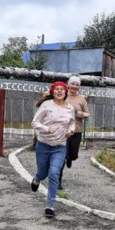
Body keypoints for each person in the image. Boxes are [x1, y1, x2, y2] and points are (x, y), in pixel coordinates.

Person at [31, 81, 75, 218]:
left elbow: (72, 122)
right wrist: (46, 128)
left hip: (60, 147)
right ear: (53, 92)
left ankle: (50, 205)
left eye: (62, 89)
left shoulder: (70, 108)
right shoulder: (46, 105)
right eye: (57, 89)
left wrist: (71, 131)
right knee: (43, 173)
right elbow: (34, 122)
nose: (60, 91)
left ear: (66, 92)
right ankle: (37, 179)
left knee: (54, 173)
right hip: (43, 145)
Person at [58, 75, 90, 190]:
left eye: (77, 84)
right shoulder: (63, 96)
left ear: (79, 87)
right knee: (61, 156)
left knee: (73, 154)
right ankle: (58, 182)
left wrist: (81, 114)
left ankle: (70, 158)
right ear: (68, 85)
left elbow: (87, 114)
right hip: (62, 130)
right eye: (72, 84)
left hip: (76, 130)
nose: (74, 86)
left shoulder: (82, 98)